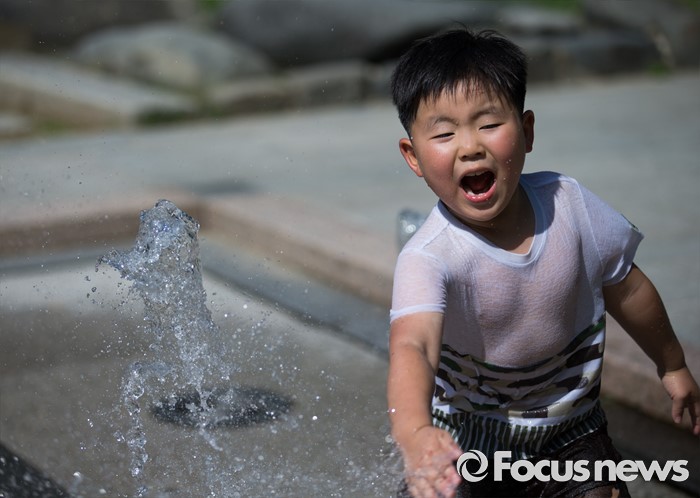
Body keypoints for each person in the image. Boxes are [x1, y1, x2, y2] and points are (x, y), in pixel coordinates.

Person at [387, 27, 700, 498]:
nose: (470, 146)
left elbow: (629, 288)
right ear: (413, 156)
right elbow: (413, 346)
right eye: (445, 133)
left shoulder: (570, 207)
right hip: (469, 441)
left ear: (527, 131)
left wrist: (672, 364)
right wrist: (415, 434)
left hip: (571, 433)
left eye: (489, 124)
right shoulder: (429, 256)